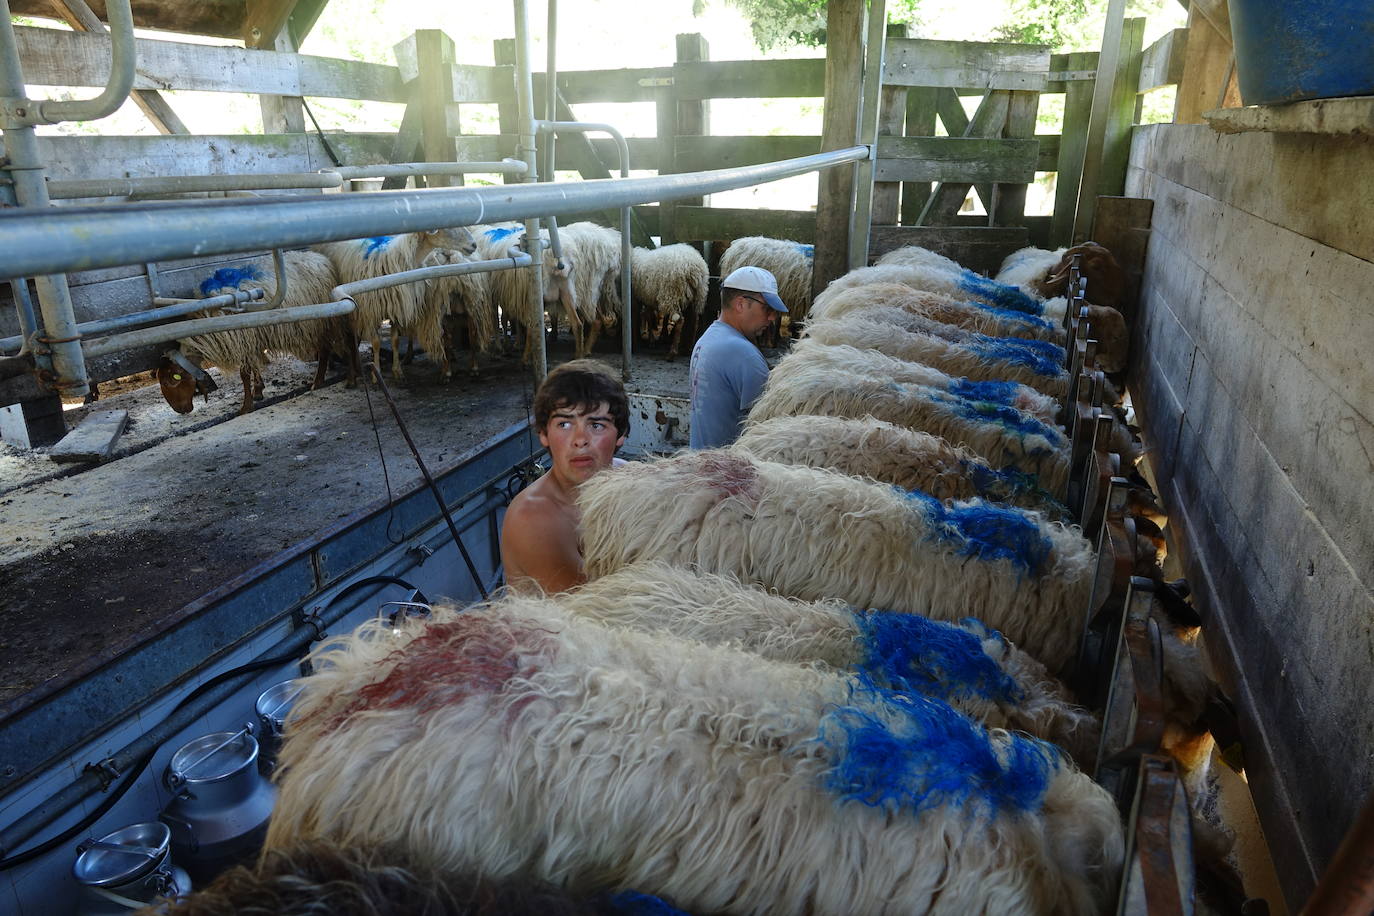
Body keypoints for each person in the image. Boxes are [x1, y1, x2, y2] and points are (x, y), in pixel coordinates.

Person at [500, 359, 629, 595]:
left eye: (597, 425)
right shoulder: (531, 517)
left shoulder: (628, 480)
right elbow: (596, 611)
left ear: (620, 434)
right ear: (544, 435)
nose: (580, 439)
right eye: (565, 424)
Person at [688, 265, 787, 449]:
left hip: (702, 465)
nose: (772, 317)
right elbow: (768, 428)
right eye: (767, 309)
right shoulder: (743, 354)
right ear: (740, 304)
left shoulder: (709, 337)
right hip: (728, 472)